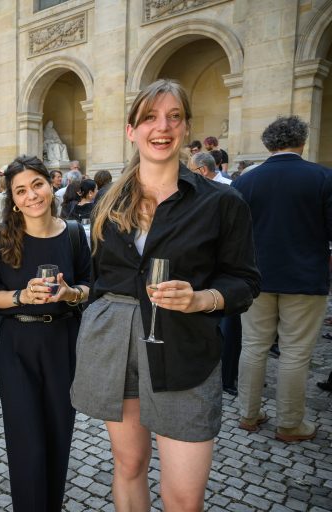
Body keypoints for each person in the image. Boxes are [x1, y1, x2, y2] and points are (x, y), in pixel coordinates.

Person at [70, 79, 260, 511]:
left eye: (174, 117)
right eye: (150, 117)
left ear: (187, 126)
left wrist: (201, 298)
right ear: (131, 130)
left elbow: (245, 281)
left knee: (184, 498)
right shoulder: (106, 203)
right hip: (114, 346)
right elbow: (99, 280)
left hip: (184, 348)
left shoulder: (220, 202)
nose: (163, 126)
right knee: (129, 464)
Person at [0, 155, 90, 511]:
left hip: (63, 343)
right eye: (21, 190)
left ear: (51, 183)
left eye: (37, 185)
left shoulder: (74, 234)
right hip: (17, 346)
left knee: (59, 437)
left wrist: (71, 293)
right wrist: (22, 296)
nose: (31, 196)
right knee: (27, 443)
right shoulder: (0, 239)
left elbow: (93, 287)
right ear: (12, 198)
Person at [233, 115, 332, 442]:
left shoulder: (246, 181)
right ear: (302, 141)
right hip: (304, 277)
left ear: (267, 144)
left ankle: (248, 414)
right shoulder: (321, 177)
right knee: (295, 352)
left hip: (256, 277)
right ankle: (289, 424)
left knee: (253, 346)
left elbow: (233, 234)